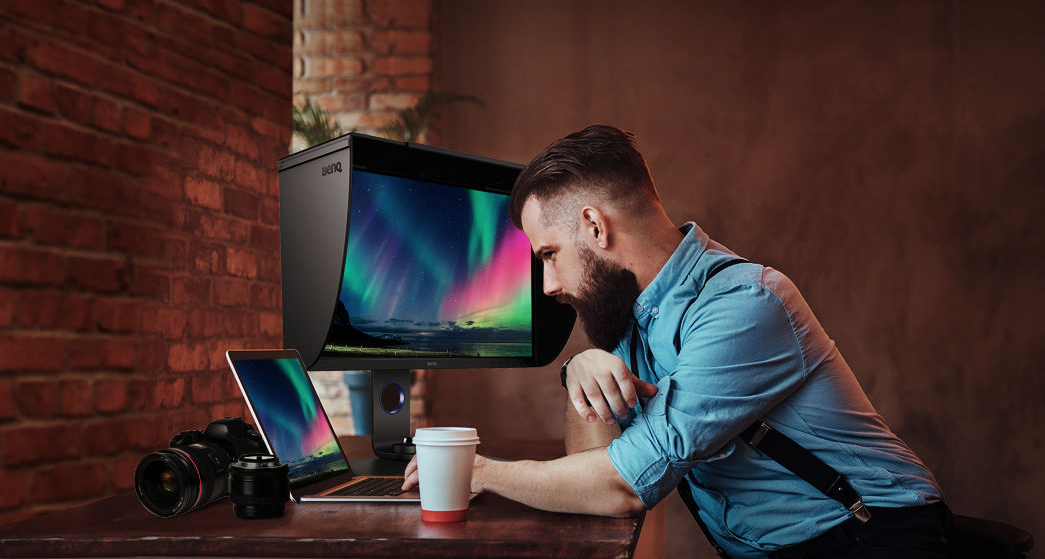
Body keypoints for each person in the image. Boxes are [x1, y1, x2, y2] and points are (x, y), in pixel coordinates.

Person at [402, 125, 953, 558]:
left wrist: (479, 471)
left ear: (594, 227)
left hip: (873, 536)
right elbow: (594, 468)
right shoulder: (627, 314)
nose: (548, 286)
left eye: (549, 255)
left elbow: (621, 486)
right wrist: (583, 370)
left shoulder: (745, 304)